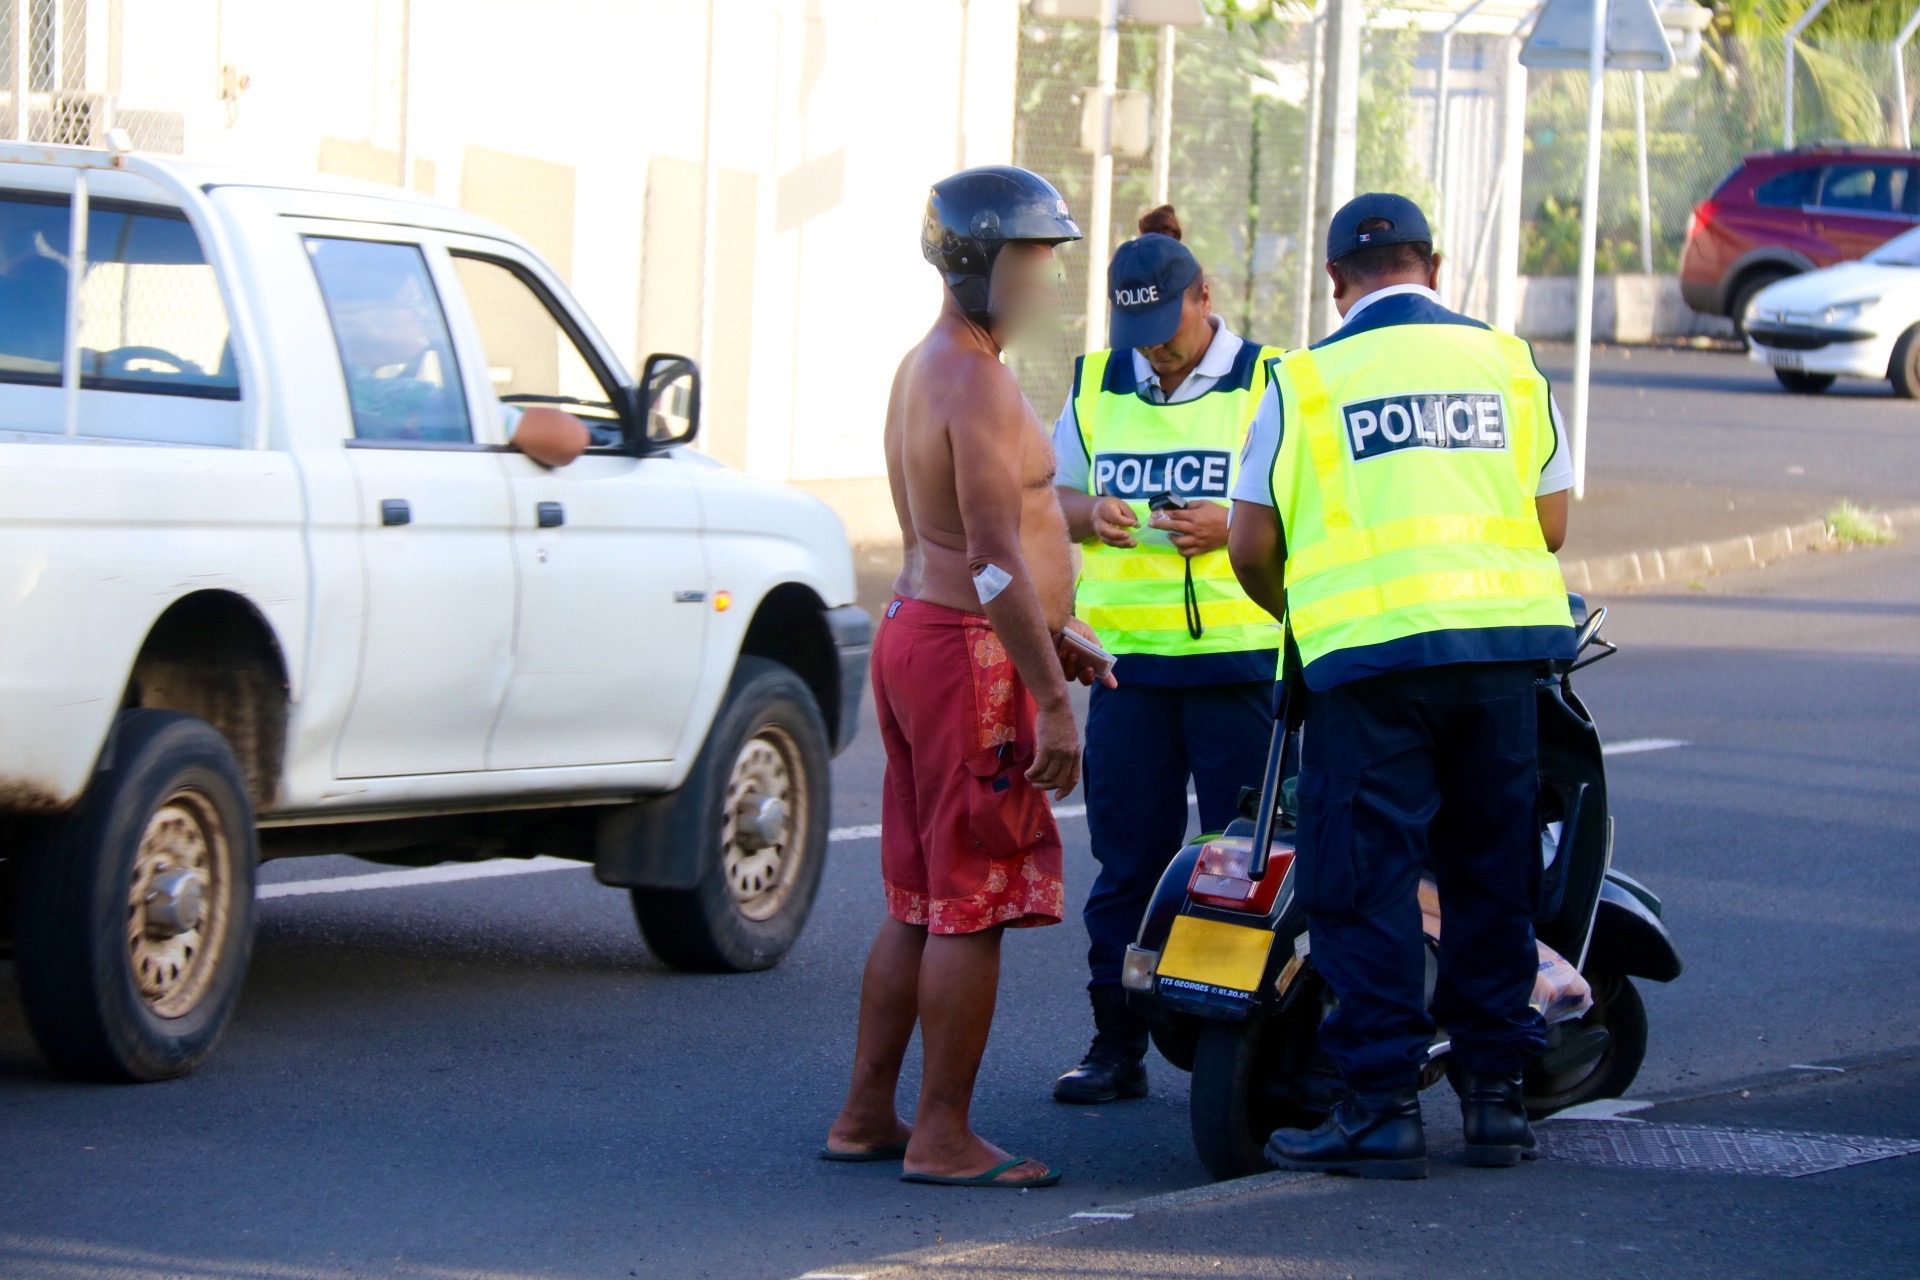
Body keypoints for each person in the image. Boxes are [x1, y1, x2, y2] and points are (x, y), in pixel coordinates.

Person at [1227, 193, 1576, 1179]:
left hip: (1368, 666)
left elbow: (1252, 542)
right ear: (1436, 264)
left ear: (1337, 282)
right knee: (1489, 875)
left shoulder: (1306, 379)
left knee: (1366, 879)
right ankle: (1497, 1102)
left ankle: (1378, 1108)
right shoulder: (1508, 361)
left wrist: (1298, 606)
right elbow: (1550, 523)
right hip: (1501, 658)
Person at [823, 165, 1113, 1189]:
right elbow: (992, 559)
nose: (1045, 280)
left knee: (918, 895)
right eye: (1035, 258)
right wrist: (1048, 698)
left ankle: (868, 1111)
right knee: (973, 899)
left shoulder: (926, 364)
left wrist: (1057, 633)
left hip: (922, 630)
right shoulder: (978, 380)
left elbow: (979, 548)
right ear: (982, 260)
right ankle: (943, 1132)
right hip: (964, 651)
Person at [1049, 206, 1283, 1104]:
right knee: (1127, 865)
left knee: (1240, 867)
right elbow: (1056, 499)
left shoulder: (1270, 380)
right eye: (1140, 337)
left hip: (1240, 665)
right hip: (1130, 670)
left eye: (1170, 332)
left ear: (1204, 298)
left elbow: (1310, 507)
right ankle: (1116, 1046)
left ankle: (1242, 1051)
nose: (1158, 354)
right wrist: (1089, 515)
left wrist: (1234, 528)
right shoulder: (1098, 383)